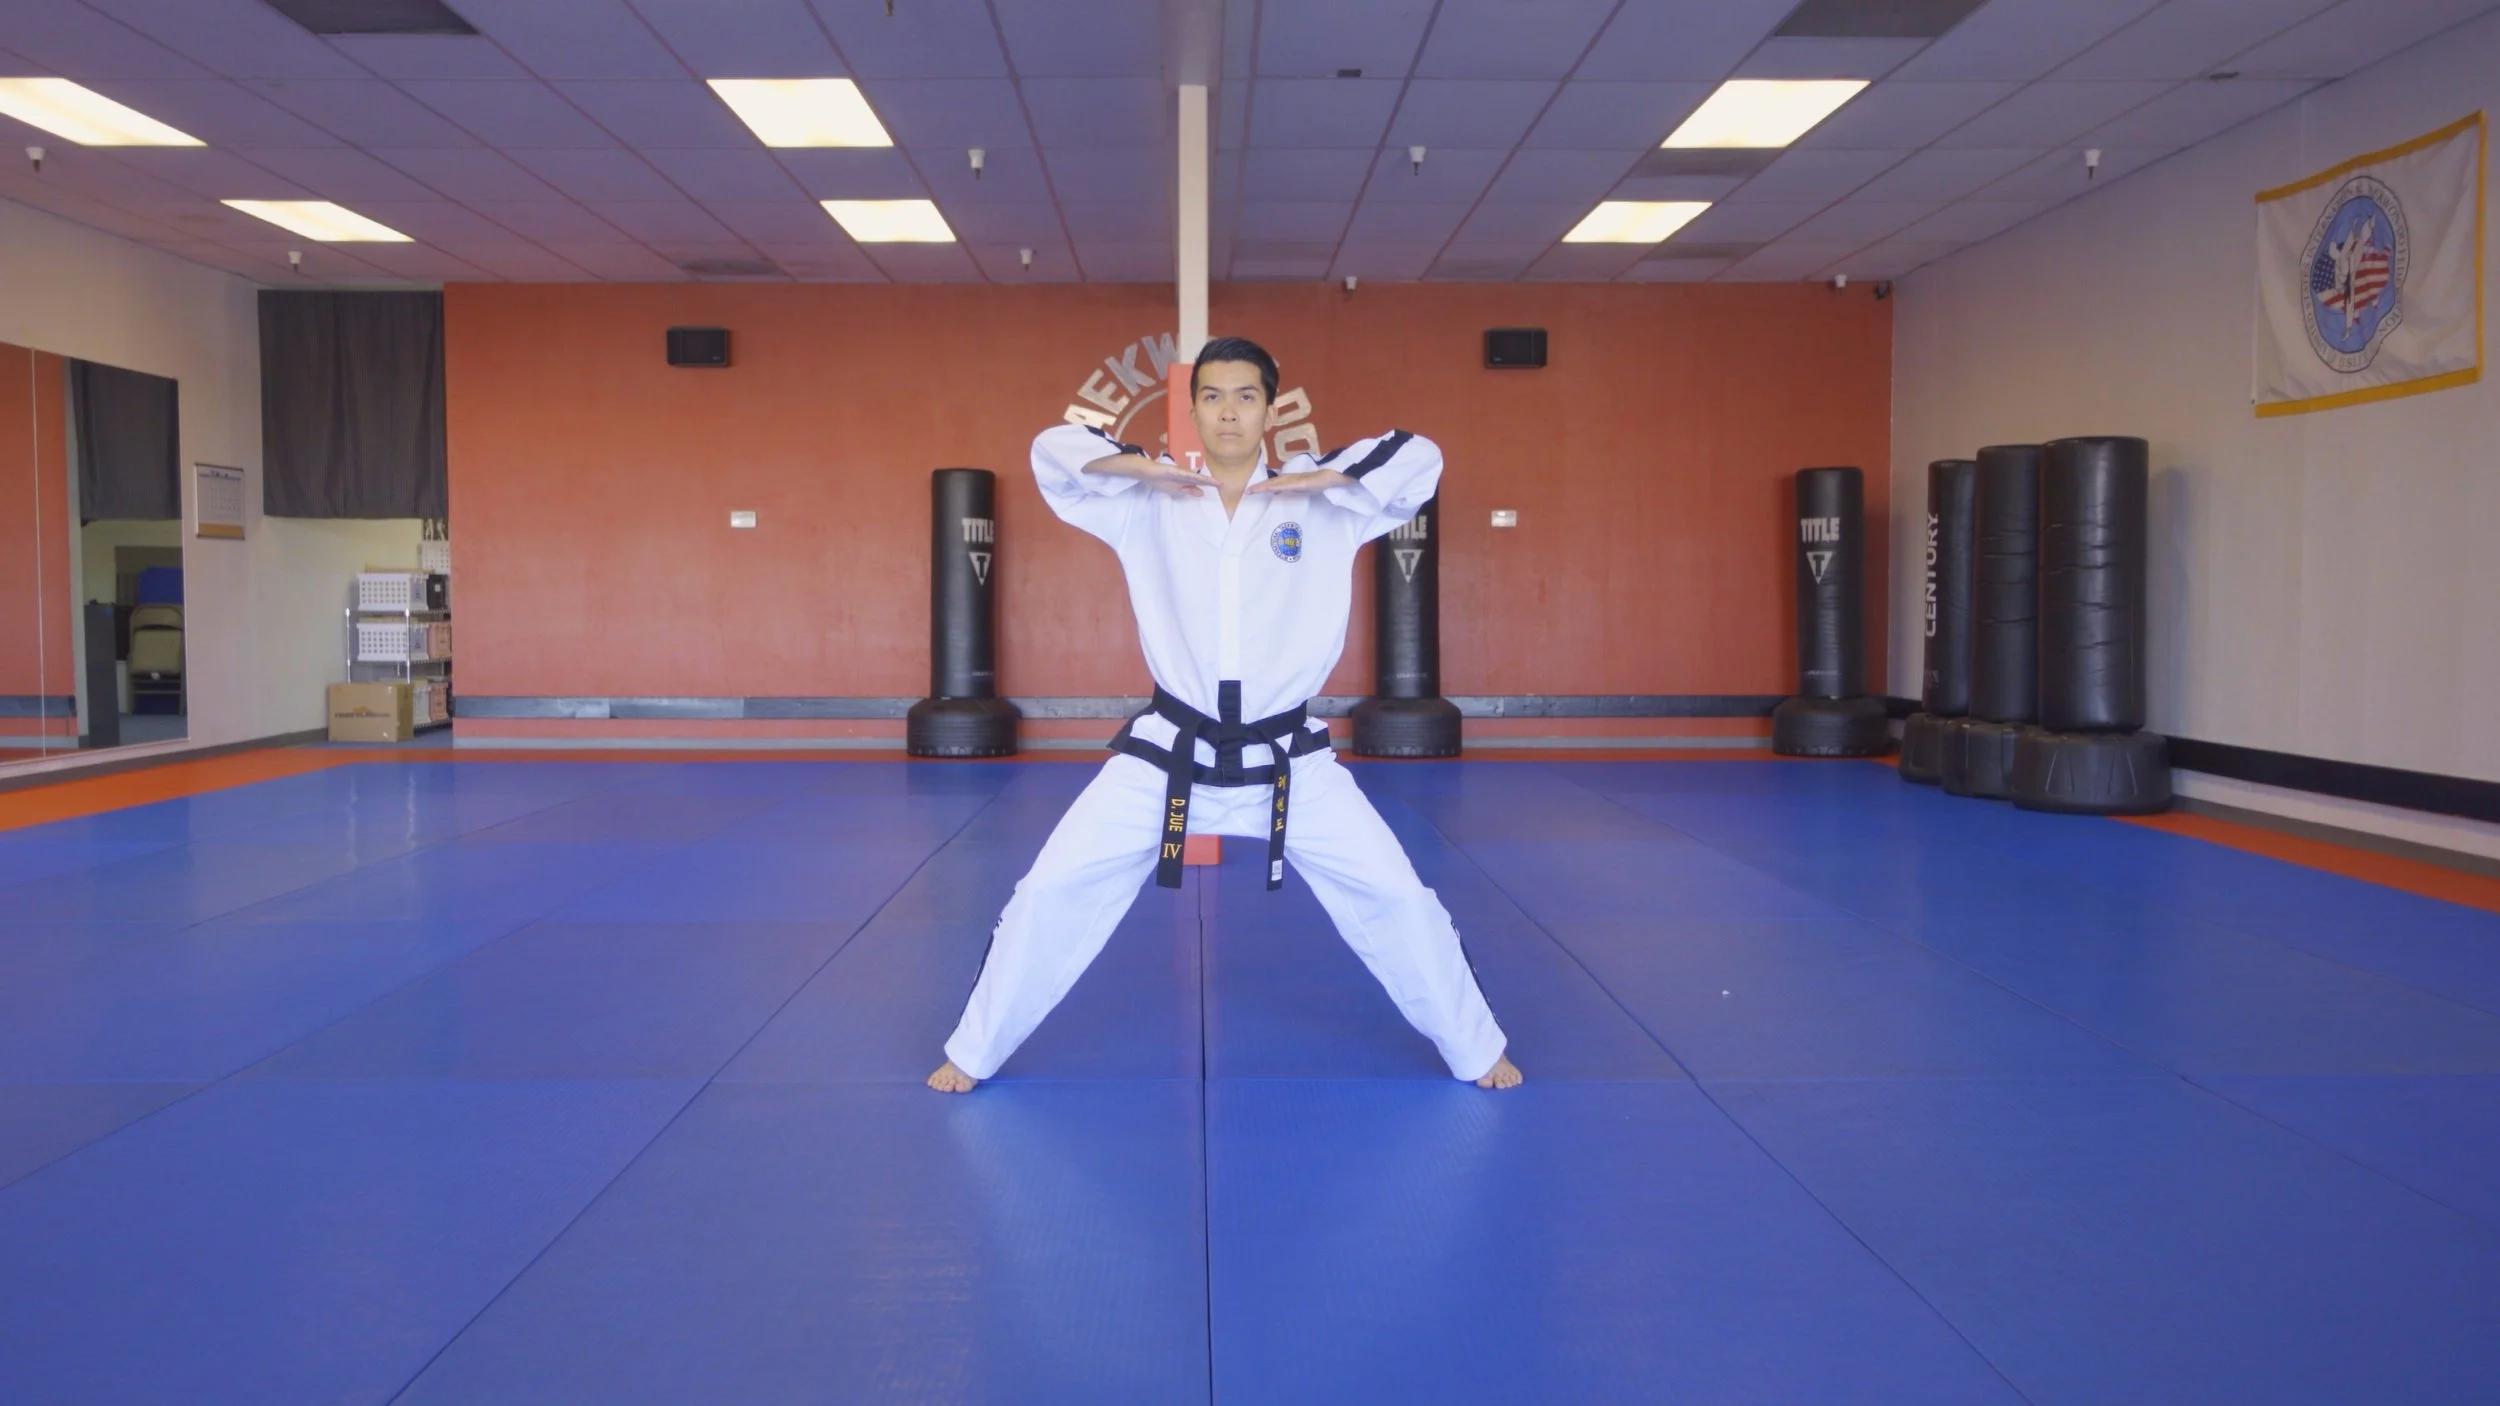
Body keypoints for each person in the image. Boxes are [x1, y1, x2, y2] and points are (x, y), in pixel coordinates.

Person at [929, 336, 1522, 1094]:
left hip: (1290, 761)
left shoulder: (1323, 502)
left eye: (1246, 396)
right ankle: (973, 1051)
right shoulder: (1151, 502)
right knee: (1048, 892)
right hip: (1168, 755)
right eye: (1212, 397)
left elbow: (1420, 458)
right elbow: (1052, 450)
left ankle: (1476, 1049)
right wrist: (1138, 465)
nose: (1229, 412)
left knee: (1400, 899)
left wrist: (1331, 476)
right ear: (1193, 410)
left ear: (1271, 410)